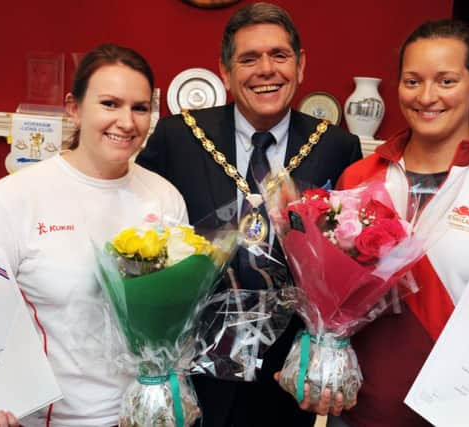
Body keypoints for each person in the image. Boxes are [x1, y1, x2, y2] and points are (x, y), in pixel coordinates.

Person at [135, 3, 362, 426]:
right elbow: (140, 245)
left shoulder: (336, 147)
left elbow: (348, 258)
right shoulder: (178, 137)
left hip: (286, 371)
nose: (266, 70)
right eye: (248, 58)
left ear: (300, 64)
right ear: (224, 71)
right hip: (193, 372)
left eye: (279, 55)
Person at [332, 19, 469, 427]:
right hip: (359, 413)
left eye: (446, 81)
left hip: (466, 417)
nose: (427, 97)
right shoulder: (359, 178)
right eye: (412, 81)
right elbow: (336, 302)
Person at [0, 43, 188, 427]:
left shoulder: (164, 196)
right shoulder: (16, 197)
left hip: (141, 417)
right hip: (47, 420)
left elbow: (177, 323)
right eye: (110, 104)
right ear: (74, 108)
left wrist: (172, 401)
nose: (127, 121)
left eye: (140, 107)